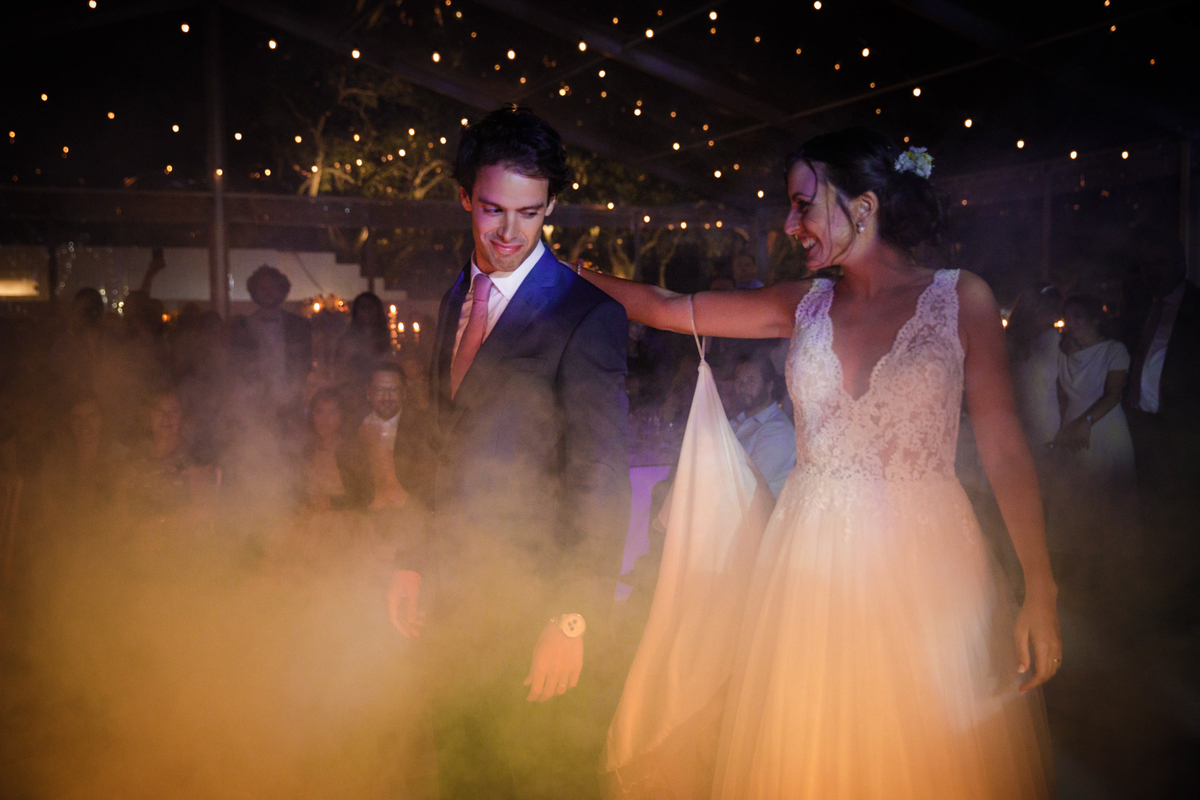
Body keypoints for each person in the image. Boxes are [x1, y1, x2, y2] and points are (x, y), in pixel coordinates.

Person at [579, 128, 1058, 799]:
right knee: (809, 753)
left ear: (861, 205)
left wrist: (1040, 585)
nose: (788, 224)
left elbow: (1006, 449)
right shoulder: (799, 305)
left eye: (802, 205)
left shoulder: (961, 298)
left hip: (928, 567)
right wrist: (560, 273)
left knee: (926, 757)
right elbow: (663, 308)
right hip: (807, 568)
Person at [385, 106, 631, 799]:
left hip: (535, 605)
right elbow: (438, 439)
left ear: (550, 205)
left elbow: (601, 478)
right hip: (456, 595)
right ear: (466, 195)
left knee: (531, 777)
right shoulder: (457, 293)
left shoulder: (587, 315)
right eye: (493, 209)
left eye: (529, 213)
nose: (508, 233)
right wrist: (411, 558)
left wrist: (572, 617)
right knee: (459, 768)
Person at [1124, 241, 1200, 624]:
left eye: (1160, 262)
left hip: (1182, 434)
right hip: (1143, 429)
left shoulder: (1195, 307)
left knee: (1183, 518)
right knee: (1150, 514)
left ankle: (1184, 605)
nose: (1152, 272)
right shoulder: (1140, 308)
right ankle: (1158, 599)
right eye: (1145, 265)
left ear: (1181, 262)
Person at [1049, 293, 1138, 596]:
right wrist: (1065, 427)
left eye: (1078, 317)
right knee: (1076, 507)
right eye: (1067, 318)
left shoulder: (1115, 350)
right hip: (1073, 428)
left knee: (1108, 508)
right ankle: (1080, 585)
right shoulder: (1063, 352)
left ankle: (1113, 587)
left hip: (1104, 428)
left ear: (1095, 319)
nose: (1070, 325)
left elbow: (1113, 395)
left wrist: (1083, 424)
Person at [730, 353, 796, 497]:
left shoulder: (779, 431)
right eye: (738, 380)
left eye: (751, 380)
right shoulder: (735, 422)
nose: (742, 387)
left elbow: (746, 486)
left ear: (769, 386)